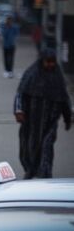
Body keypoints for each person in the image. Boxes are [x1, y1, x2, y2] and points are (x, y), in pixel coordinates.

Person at [14, 48, 72, 179]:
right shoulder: (32, 74)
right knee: (28, 148)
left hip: (50, 123)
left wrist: (68, 119)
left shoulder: (57, 77)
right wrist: (19, 111)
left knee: (46, 147)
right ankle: (30, 171)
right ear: (42, 61)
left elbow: (64, 98)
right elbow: (20, 93)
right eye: (48, 62)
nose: (50, 65)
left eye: (53, 62)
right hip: (30, 122)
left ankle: (45, 175)